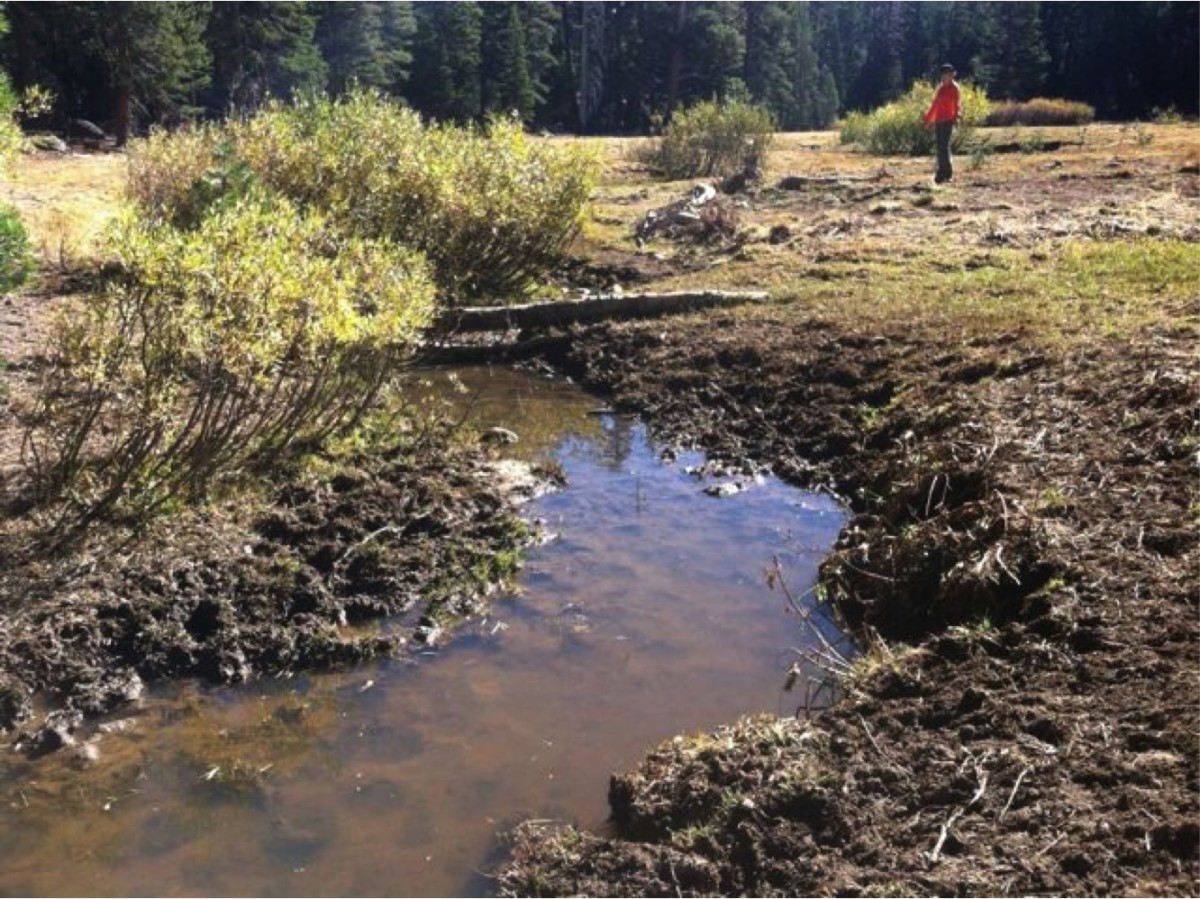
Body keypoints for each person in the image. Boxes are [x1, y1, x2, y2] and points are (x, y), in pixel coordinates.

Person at [923, 63, 962, 184]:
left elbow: (957, 105)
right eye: (944, 75)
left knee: (944, 147)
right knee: (940, 148)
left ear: (952, 75)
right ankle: (943, 173)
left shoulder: (955, 88)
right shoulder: (940, 89)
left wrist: (956, 118)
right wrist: (928, 119)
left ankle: (945, 174)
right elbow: (935, 105)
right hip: (939, 121)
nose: (945, 77)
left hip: (948, 121)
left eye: (948, 74)